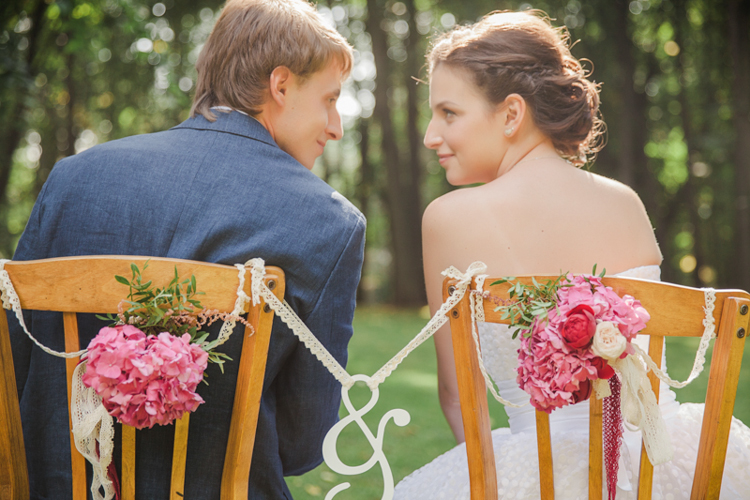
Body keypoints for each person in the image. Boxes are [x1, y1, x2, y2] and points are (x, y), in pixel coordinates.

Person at [9, 0, 365, 498]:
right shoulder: (327, 221)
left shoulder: (72, 178)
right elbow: (304, 443)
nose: (337, 127)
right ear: (280, 86)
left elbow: (16, 360)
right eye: (329, 100)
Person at [394, 10, 750, 499]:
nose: (432, 135)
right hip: (670, 466)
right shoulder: (625, 202)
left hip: (542, 477)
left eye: (448, 113)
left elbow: (457, 395)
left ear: (512, 114)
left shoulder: (448, 218)